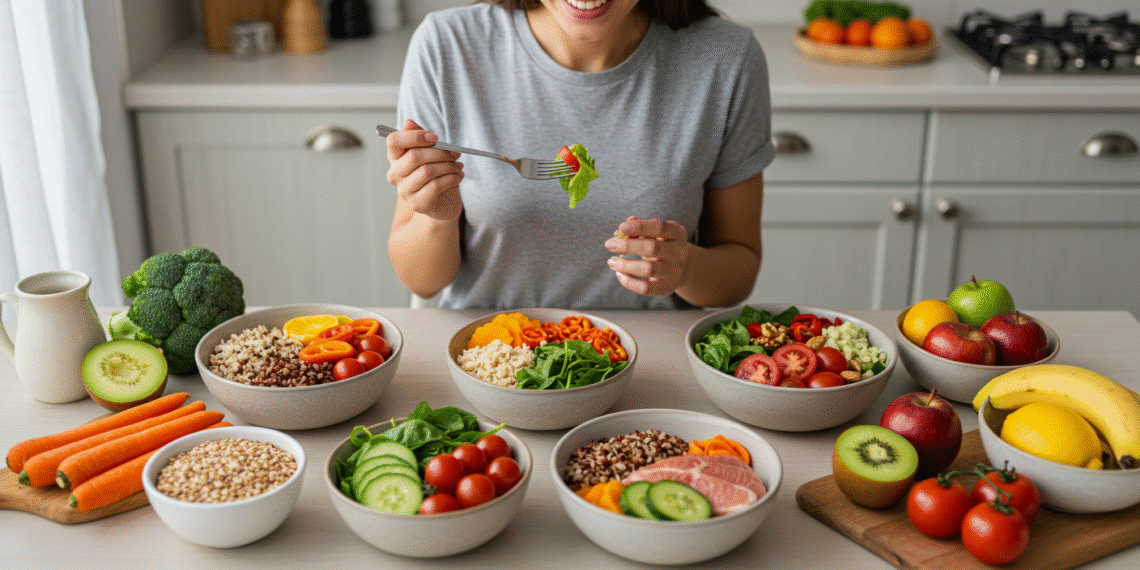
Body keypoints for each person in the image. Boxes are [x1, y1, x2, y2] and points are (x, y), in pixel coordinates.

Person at [385, 0, 774, 310]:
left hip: (650, 364)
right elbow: (421, 282)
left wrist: (685, 267)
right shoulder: (446, 45)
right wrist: (437, 217)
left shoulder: (728, 58)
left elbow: (737, 270)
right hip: (488, 354)